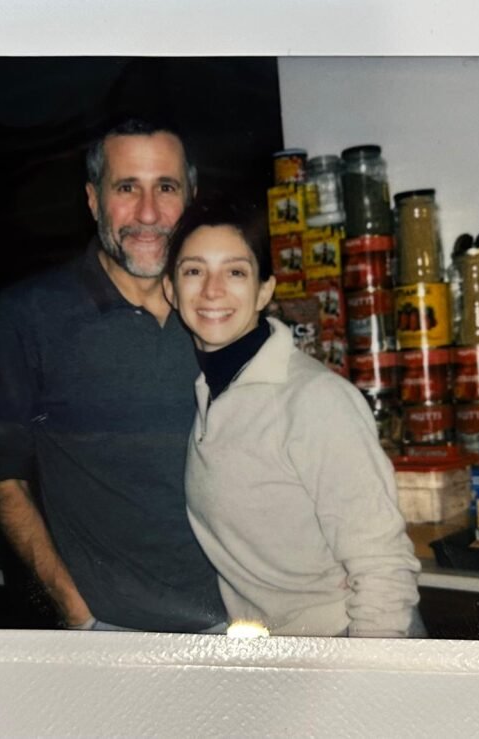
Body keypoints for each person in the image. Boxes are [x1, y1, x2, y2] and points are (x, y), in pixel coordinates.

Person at [0, 118, 226, 632]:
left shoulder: (224, 308)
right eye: (127, 188)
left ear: (192, 199)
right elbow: (4, 477)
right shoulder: (30, 314)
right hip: (114, 628)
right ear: (93, 200)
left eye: (166, 188)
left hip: (243, 613)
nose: (148, 213)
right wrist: (76, 610)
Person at [162, 200, 422, 638]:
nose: (212, 289)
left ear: (265, 291)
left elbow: (383, 566)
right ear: (171, 290)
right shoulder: (212, 391)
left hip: (352, 642)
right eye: (194, 271)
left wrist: (366, 673)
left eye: (235, 271)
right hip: (275, 650)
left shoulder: (314, 399)